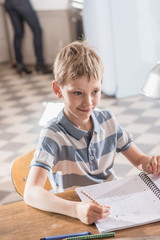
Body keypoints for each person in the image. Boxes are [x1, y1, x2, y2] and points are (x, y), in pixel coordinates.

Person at [24, 40, 160, 225]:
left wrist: (151, 163)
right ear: (58, 90)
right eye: (77, 93)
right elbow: (31, 193)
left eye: (95, 91)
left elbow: (139, 160)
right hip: (75, 215)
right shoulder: (53, 135)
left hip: (112, 210)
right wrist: (75, 209)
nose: (88, 102)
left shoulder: (108, 120)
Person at [4, 0, 52, 74]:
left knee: (18, 34)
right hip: (21, 3)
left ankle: (19, 64)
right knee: (37, 31)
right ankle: (40, 64)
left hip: (9, 3)